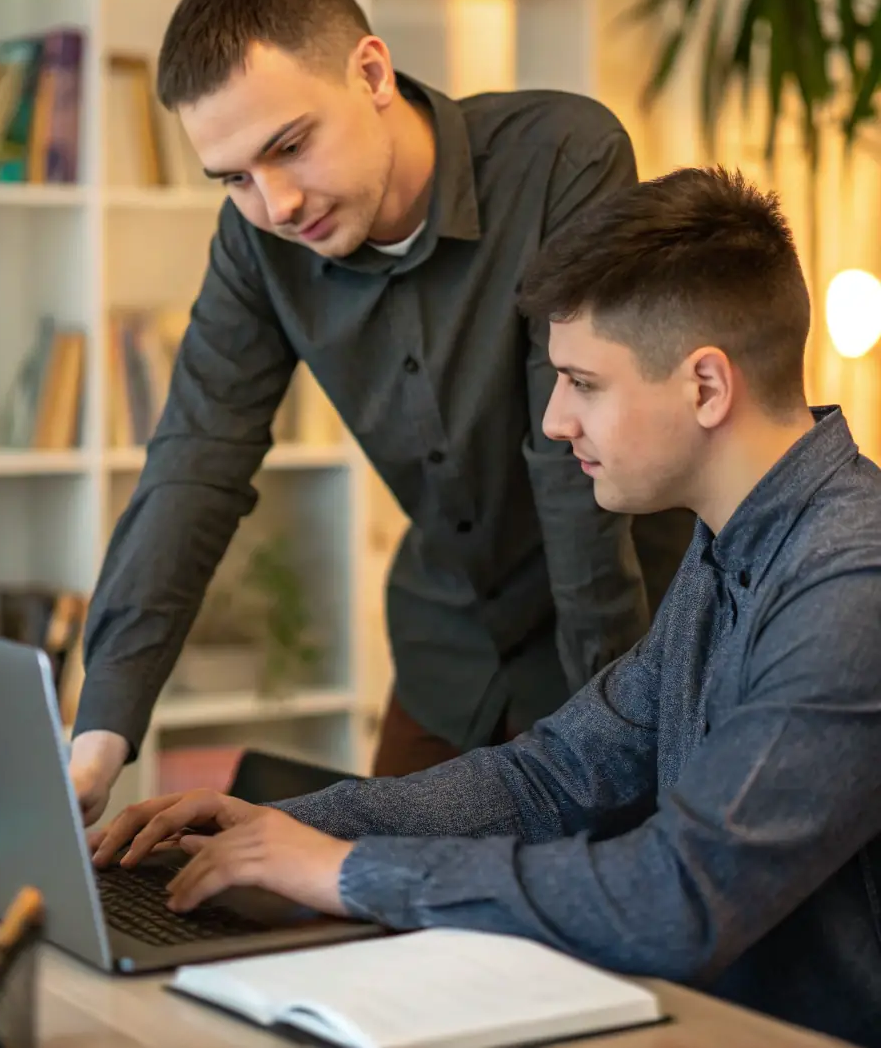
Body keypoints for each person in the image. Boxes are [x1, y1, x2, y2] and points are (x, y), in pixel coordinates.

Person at [92, 167, 881, 1048]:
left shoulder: (852, 582)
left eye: (582, 382)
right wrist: (289, 827)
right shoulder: (732, 543)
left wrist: (351, 872)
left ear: (705, 386)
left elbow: (679, 896)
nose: (552, 419)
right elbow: (554, 773)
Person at [70, 0, 693, 821]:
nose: (276, 203)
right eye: (236, 177)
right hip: (451, 649)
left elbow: (573, 462)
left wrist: (616, 733)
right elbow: (194, 465)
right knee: (362, 922)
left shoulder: (561, 159)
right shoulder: (256, 242)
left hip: (620, 630)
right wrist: (99, 738)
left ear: (370, 72)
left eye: (289, 145)